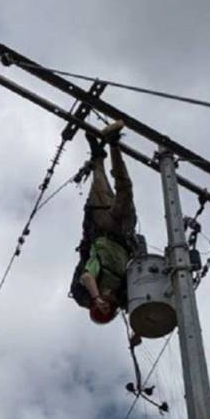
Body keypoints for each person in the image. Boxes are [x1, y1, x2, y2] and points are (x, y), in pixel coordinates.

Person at [70, 120, 137, 324]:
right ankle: (114, 142)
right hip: (123, 231)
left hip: (102, 227)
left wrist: (96, 297)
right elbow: (140, 305)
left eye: (102, 308)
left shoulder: (93, 283)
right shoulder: (123, 294)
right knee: (125, 188)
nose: (106, 305)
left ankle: (98, 155)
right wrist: (138, 331)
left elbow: (86, 277)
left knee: (99, 180)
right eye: (108, 309)